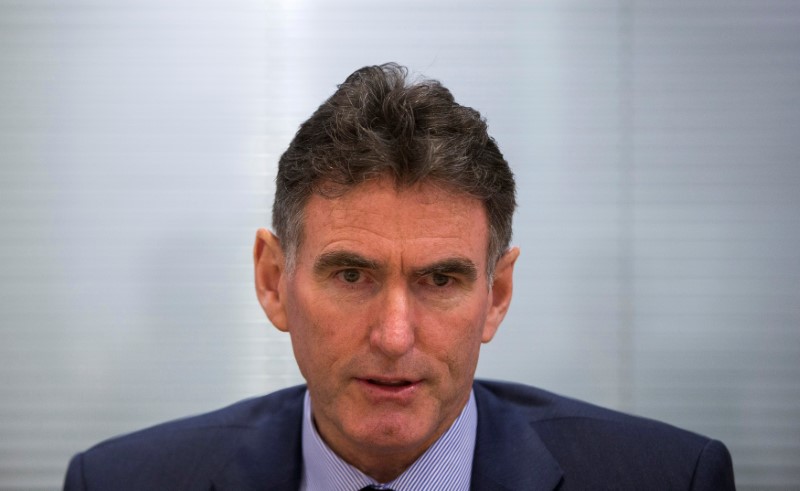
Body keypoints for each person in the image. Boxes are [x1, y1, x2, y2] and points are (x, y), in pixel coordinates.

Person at [63, 63, 735, 490]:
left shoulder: (669, 477)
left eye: (441, 280)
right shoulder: (121, 480)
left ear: (496, 295)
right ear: (274, 281)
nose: (393, 334)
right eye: (351, 274)